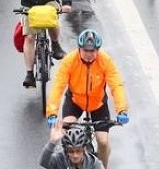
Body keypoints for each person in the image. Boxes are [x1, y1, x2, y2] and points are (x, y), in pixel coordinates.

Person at [46, 29, 129, 169]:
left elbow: (116, 85)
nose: (90, 54)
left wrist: (122, 110)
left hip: (98, 103)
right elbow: (58, 86)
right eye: (86, 51)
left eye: (93, 51)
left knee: (102, 141)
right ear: (79, 49)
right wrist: (52, 113)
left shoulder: (105, 61)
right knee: (66, 134)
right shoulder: (69, 61)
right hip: (75, 101)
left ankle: (103, 166)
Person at [40, 120, 105, 169]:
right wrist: (52, 142)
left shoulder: (94, 164)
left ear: (84, 149)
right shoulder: (59, 159)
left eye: (78, 151)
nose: (75, 156)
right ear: (66, 151)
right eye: (71, 151)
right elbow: (43, 162)